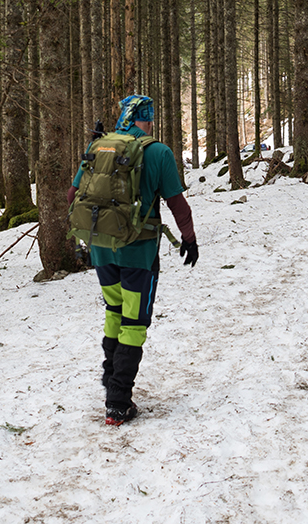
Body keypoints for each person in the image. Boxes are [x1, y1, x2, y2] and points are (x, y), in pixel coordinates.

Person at [69, 93, 198, 425]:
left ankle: (110, 380)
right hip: (138, 252)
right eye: (150, 118)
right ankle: (118, 400)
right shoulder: (158, 152)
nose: (152, 123)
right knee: (135, 321)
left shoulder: (98, 148)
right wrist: (190, 239)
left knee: (114, 311)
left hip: (101, 247)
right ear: (145, 120)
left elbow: (73, 195)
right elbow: (176, 203)